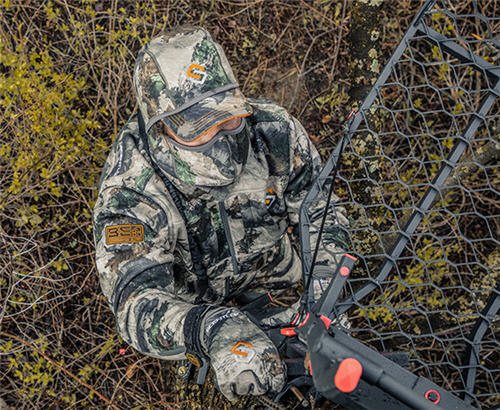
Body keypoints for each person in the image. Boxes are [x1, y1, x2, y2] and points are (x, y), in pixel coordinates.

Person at [93, 25, 348, 401]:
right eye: (201, 127)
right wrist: (212, 328)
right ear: (160, 126)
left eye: (228, 119)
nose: (223, 136)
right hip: (198, 327)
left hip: (286, 292)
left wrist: (325, 286)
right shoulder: (131, 192)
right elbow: (137, 302)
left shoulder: (273, 131)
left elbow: (322, 209)